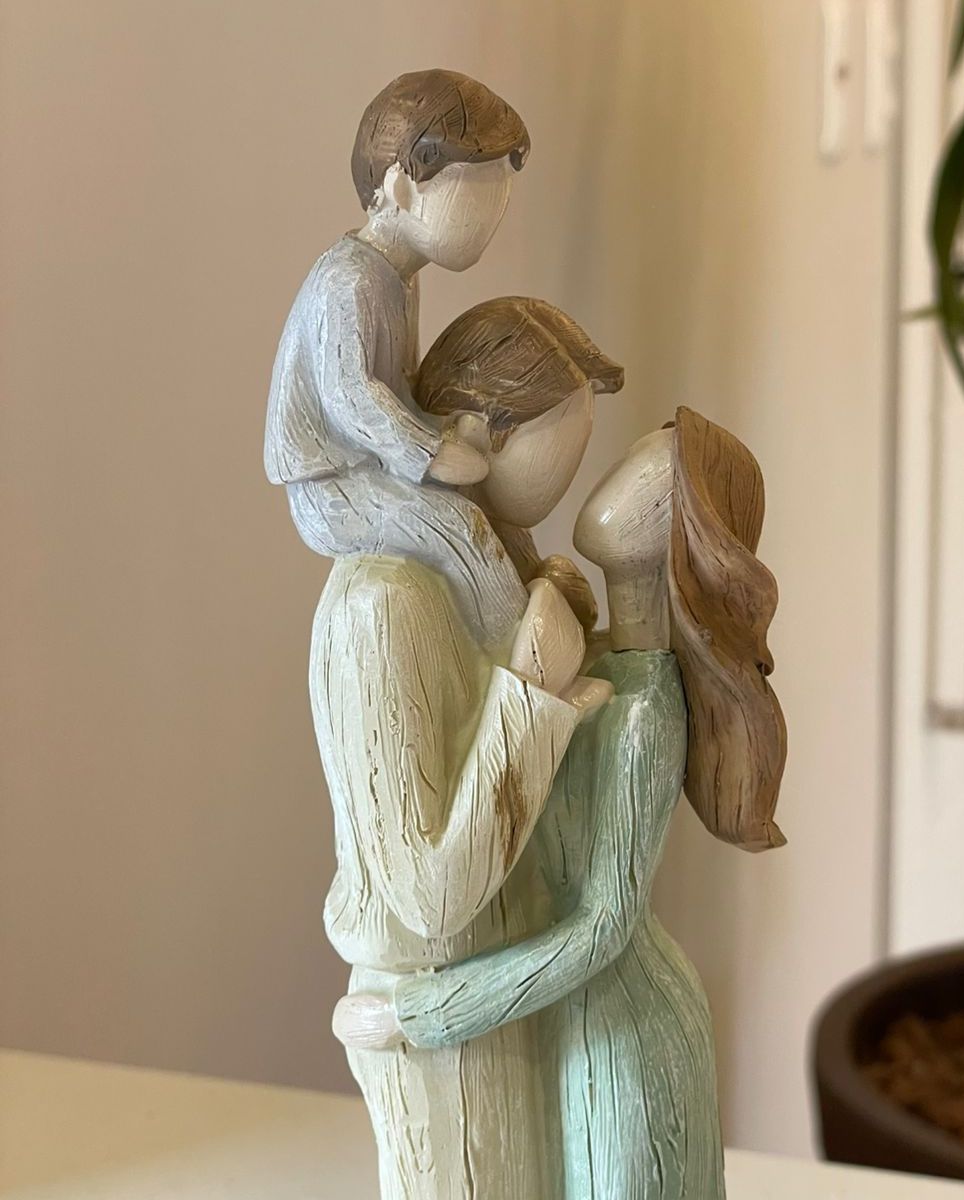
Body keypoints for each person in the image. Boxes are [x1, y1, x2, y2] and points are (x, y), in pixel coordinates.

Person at [335, 408, 788, 1200]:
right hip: (567, 1019)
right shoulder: (599, 653)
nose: (620, 471)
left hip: (624, 1026)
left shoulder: (649, 709)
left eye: (653, 469)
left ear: (684, 524)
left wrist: (417, 1016)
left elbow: (602, 927)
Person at [312, 297, 623, 1200]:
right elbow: (431, 896)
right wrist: (531, 693)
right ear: (478, 433)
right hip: (432, 1006)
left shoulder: (490, 571)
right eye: (562, 448)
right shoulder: (383, 605)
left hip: (507, 978)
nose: (573, 475)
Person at [265, 69, 535, 649]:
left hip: (372, 468)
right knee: (458, 527)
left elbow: (399, 386)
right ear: (403, 187)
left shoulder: (400, 278)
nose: (496, 210)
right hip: (332, 487)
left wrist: (444, 426)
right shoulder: (349, 280)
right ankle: (523, 658)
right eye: (478, 190)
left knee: (487, 502)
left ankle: (539, 598)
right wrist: (429, 453)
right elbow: (351, 396)